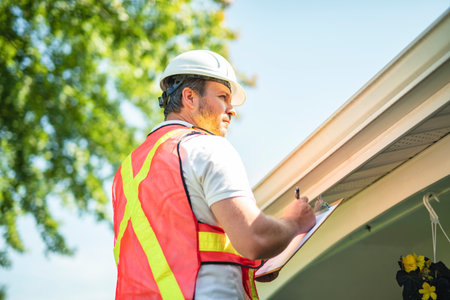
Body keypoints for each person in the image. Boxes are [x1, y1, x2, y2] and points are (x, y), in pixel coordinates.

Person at [112, 50, 316, 300]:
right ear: (190, 97)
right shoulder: (205, 147)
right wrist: (294, 222)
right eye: (223, 97)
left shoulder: (128, 173)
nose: (232, 110)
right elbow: (254, 237)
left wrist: (252, 261)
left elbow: (179, 249)